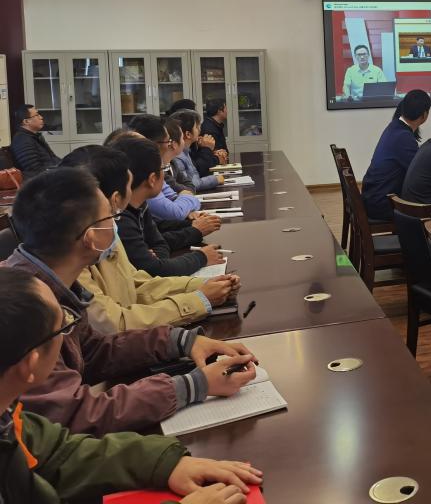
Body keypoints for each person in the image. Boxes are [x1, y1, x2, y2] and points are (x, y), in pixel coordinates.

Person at [2, 168, 257, 435]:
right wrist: (193, 386)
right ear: (91, 237)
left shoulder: (51, 279)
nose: (116, 225)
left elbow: (93, 350)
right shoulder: (24, 308)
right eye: (110, 217)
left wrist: (181, 341)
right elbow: (76, 414)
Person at [0, 268, 263, 504]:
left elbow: (60, 453)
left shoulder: (10, 415)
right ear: (31, 364)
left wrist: (163, 463)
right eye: (64, 325)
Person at [61, 145, 239, 333]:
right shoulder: (70, 258)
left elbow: (137, 283)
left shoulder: (105, 229)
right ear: (114, 199)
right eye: (129, 185)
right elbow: (112, 324)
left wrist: (204, 285)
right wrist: (198, 300)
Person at [110, 136, 222, 277]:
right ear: (152, 179)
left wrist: (155, 259)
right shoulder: (120, 217)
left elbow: (159, 243)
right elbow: (154, 269)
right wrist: (201, 257)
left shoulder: (140, 204)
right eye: (163, 168)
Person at [361, 90, 431, 220]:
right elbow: (419, 174)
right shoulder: (404, 137)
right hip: (382, 204)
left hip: (373, 196)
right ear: (424, 115)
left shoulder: (395, 127)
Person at [127, 114, 202, 222]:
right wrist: (186, 204)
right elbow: (175, 212)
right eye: (168, 141)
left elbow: (182, 194)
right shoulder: (145, 174)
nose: (169, 146)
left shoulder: (168, 164)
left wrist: (185, 206)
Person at [171, 108, 225, 192]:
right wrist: (216, 179)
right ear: (188, 134)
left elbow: (195, 175)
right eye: (197, 127)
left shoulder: (186, 151)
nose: (200, 130)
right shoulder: (178, 155)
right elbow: (193, 184)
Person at [10, 104, 61, 178]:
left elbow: (53, 158)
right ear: (26, 121)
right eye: (37, 115)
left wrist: (65, 165)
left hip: (52, 173)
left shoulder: (36, 136)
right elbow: (33, 170)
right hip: (42, 180)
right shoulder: (21, 139)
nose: (41, 117)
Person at [201, 100, 230, 164]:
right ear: (219, 111)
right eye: (226, 108)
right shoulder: (209, 128)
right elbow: (214, 153)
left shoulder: (215, 124)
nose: (227, 111)